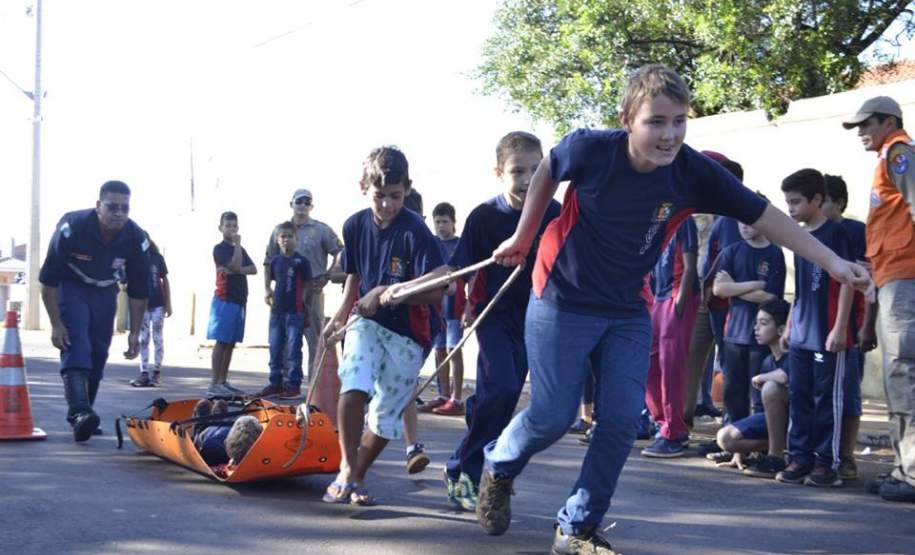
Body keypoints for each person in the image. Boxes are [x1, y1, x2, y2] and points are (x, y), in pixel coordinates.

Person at [470, 65, 869, 554]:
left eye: (679, 120)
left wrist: (831, 261)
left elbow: (764, 215)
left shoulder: (692, 171)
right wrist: (524, 234)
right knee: (552, 416)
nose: (670, 134)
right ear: (627, 120)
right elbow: (550, 167)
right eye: (656, 121)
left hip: (625, 309)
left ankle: (577, 527)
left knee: (618, 422)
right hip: (561, 297)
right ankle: (500, 464)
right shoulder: (590, 149)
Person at [388, 131, 561, 512]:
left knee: (508, 393)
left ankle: (481, 427)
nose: (529, 179)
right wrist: (427, 286)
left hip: (538, 316)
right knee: (499, 386)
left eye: (537, 170)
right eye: (518, 171)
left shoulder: (555, 212)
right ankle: (461, 469)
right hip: (494, 313)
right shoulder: (485, 216)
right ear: (499, 173)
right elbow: (459, 267)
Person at [321, 146, 444, 506]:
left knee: (387, 412)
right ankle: (346, 466)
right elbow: (354, 277)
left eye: (395, 196)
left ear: (407, 188)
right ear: (363, 186)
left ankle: (357, 477)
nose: (388, 204)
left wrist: (393, 293)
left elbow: (437, 292)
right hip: (367, 322)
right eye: (379, 196)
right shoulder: (354, 225)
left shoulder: (417, 231)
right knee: (355, 378)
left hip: (410, 333)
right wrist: (341, 315)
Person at [843, 96, 915, 503]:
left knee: (904, 375)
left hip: (906, 277)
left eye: (866, 124)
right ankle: (904, 468)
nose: (860, 133)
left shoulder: (899, 152)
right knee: (899, 377)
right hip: (894, 277)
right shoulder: (889, 156)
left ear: (890, 122)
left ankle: (912, 474)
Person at [39, 180, 150, 442]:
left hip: (105, 291)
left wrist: (135, 333)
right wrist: (56, 324)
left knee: (99, 352)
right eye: (113, 207)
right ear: (99, 206)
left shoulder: (137, 238)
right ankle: (79, 412)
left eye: (125, 208)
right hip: (71, 286)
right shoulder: (72, 227)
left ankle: (85, 416)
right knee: (77, 343)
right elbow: (48, 280)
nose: (119, 213)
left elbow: (138, 292)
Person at [776, 168, 855, 488]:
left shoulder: (838, 235)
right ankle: (800, 456)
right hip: (802, 334)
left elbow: (849, 282)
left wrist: (839, 328)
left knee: (827, 399)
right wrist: (790, 325)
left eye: (795, 202)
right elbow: (801, 289)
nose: (790, 209)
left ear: (817, 200)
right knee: (800, 396)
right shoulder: (800, 238)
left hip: (828, 334)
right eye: (787, 202)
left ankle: (827, 462)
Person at [821, 173, 877, 481]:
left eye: (824, 199)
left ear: (838, 203)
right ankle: (819, 453)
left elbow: (868, 281)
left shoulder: (854, 232)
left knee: (849, 394)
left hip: (850, 328)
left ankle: (845, 456)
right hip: (817, 330)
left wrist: (865, 326)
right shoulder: (812, 233)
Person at [713, 197, 786, 427]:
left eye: (749, 220)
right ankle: (733, 441)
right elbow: (718, 289)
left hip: (760, 337)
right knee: (733, 393)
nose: (743, 225)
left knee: (759, 393)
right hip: (733, 335)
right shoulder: (731, 252)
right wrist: (753, 284)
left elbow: (771, 297)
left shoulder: (775, 254)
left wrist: (734, 288)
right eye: (739, 221)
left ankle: (758, 443)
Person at [263, 189, 343, 383]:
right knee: (281, 339)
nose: (303, 205)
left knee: (314, 338)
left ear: (311, 206)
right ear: (291, 203)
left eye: (307, 202)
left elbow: (339, 251)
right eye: (299, 201)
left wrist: (329, 274)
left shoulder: (321, 230)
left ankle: (315, 383)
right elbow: (268, 260)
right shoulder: (280, 231)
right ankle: (281, 382)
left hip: (312, 292)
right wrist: (267, 288)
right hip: (284, 294)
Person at [642, 214, 699, 457]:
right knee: (647, 362)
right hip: (658, 296)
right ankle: (662, 422)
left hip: (676, 297)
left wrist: (679, 303)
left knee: (671, 366)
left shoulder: (683, 219)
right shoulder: (652, 219)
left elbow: (690, 265)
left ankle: (674, 432)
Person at [715, 299, 791, 478]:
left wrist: (765, 377)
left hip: (797, 422)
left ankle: (776, 456)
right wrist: (739, 452)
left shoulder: (795, 356)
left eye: (763, 323)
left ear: (781, 330)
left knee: (771, 387)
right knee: (725, 438)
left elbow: (785, 376)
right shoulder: (767, 362)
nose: (756, 328)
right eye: (756, 322)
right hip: (774, 424)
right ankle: (775, 446)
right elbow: (758, 409)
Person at [422, 202, 467, 416]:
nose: (441, 226)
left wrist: (469, 308)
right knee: (439, 351)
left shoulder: (460, 245)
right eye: (437, 222)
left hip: (455, 308)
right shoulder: (431, 245)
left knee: (453, 350)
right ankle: (443, 395)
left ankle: (457, 398)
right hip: (435, 309)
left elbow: (471, 276)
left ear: (453, 223)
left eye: (445, 222)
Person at [261, 221, 314, 399]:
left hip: (295, 311)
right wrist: (267, 289)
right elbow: (268, 272)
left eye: (290, 236)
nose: (286, 240)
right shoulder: (276, 261)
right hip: (277, 311)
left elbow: (308, 286)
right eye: (283, 236)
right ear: (277, 240)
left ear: (296, 239)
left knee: (293, 349)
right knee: (275, 347)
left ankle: (293, 385)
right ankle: (275, 383)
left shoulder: (302, 261)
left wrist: (306, 309)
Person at [207, 211, 257, 397]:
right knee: (222, 341)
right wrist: (237, 247)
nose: (232, 229)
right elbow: (235, 265)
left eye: (234, 226)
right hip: (224, 299)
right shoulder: (220, 249)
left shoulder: (240, 250)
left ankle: (223, 380)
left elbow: (253, 269)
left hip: (239, 299)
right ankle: (214, 382)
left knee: (231, 342)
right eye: (228, 226)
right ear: (221, 228)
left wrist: (237, 270)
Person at [130, 237, 172, 387]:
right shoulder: (134, 259)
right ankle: (144, 373)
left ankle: (157, 373)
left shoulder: (157, 258)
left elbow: (165, 280)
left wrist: (168, 303)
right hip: (143, 306)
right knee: (144, 339)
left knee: (158, 338)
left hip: (158, 304)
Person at [192, 399, 263, 468]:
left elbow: (197, 447)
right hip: (225, 451)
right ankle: (215, 419)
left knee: (203, 433)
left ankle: (205, 421)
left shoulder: (206, 432)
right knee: (244, 426)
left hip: (208, 450)